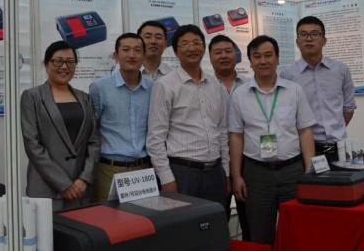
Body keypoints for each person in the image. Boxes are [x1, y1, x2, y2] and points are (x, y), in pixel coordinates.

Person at [229, 35, 316, 245]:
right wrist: (236, 176)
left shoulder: (294, 91)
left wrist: (309, 170)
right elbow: (236, 136)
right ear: (250, 62)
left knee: (297, 233)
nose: (263, 61)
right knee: (260, 236)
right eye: (256, 56)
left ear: (277, 59)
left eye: (268, 55)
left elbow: (305, 131)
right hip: (256, 174)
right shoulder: (239, 95)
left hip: (292, 171)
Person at [147, 24, 229, 210]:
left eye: (197, 43)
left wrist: (226, 172)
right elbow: (155, 139)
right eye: (185, 44)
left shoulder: (215, 84)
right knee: (184, 226)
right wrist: (166, 179)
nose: (192, 48)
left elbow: (222, 131)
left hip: (215, 172)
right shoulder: (164, 85)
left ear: (204, 48)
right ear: (176, 52)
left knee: (215, 225)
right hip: (183, 173)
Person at [20, 41, 101, 211]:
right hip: (46, 189)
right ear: (47, 64)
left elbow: (94, 141)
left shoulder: (85, 98)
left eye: (70, 62)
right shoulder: (32, 97)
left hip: (81, 190)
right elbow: (33, 145)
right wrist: (64, 184)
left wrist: (84, 179)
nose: (64, 66)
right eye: (58, 61)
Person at [281, 16, 356, 162]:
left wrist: (335, 130)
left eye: (315, 34)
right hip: (306, 149)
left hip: (340, 148)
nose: (309, 39)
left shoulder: (340, 70)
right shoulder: (287, 76)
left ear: (324, 40)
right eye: (303, 34)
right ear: (297, 42)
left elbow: (348, 108)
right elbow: (288, 116)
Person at [89, 33, 153, 201]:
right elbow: (92, 129)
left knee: (143, 215)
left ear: (144, 56)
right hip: (109, 169)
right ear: (116, 56)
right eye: (126, 50)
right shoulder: (99, 88)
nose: (132, 55)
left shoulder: (153, 88)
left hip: (144, 170)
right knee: (108, 216)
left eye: (137, 50)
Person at [208, 34, 250, 239]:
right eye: (218, 52)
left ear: (236, 54)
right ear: (210, 57)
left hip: (248, 160)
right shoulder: (205, 86)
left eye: (228, 51)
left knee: (250, 219)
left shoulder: (250, 85)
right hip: (216, 163)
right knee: (218, 221)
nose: (224, 56)